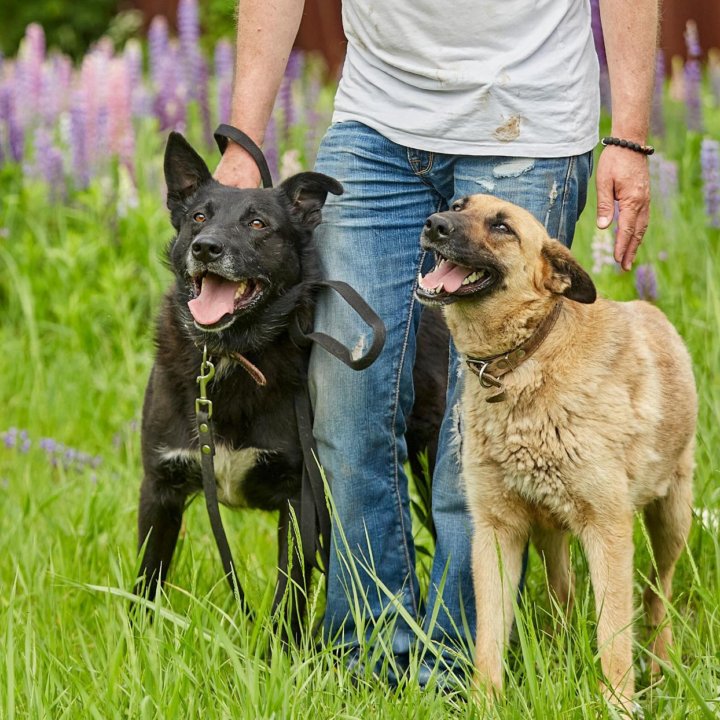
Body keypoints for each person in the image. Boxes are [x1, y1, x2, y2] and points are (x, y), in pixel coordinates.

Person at [215, 0, 656, 680]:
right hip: (375, 122)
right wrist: (244, 138)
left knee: (481, 430)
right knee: (346, 405)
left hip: (527, 126)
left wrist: (627, 134)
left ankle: (458, 665)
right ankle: (368, 652)